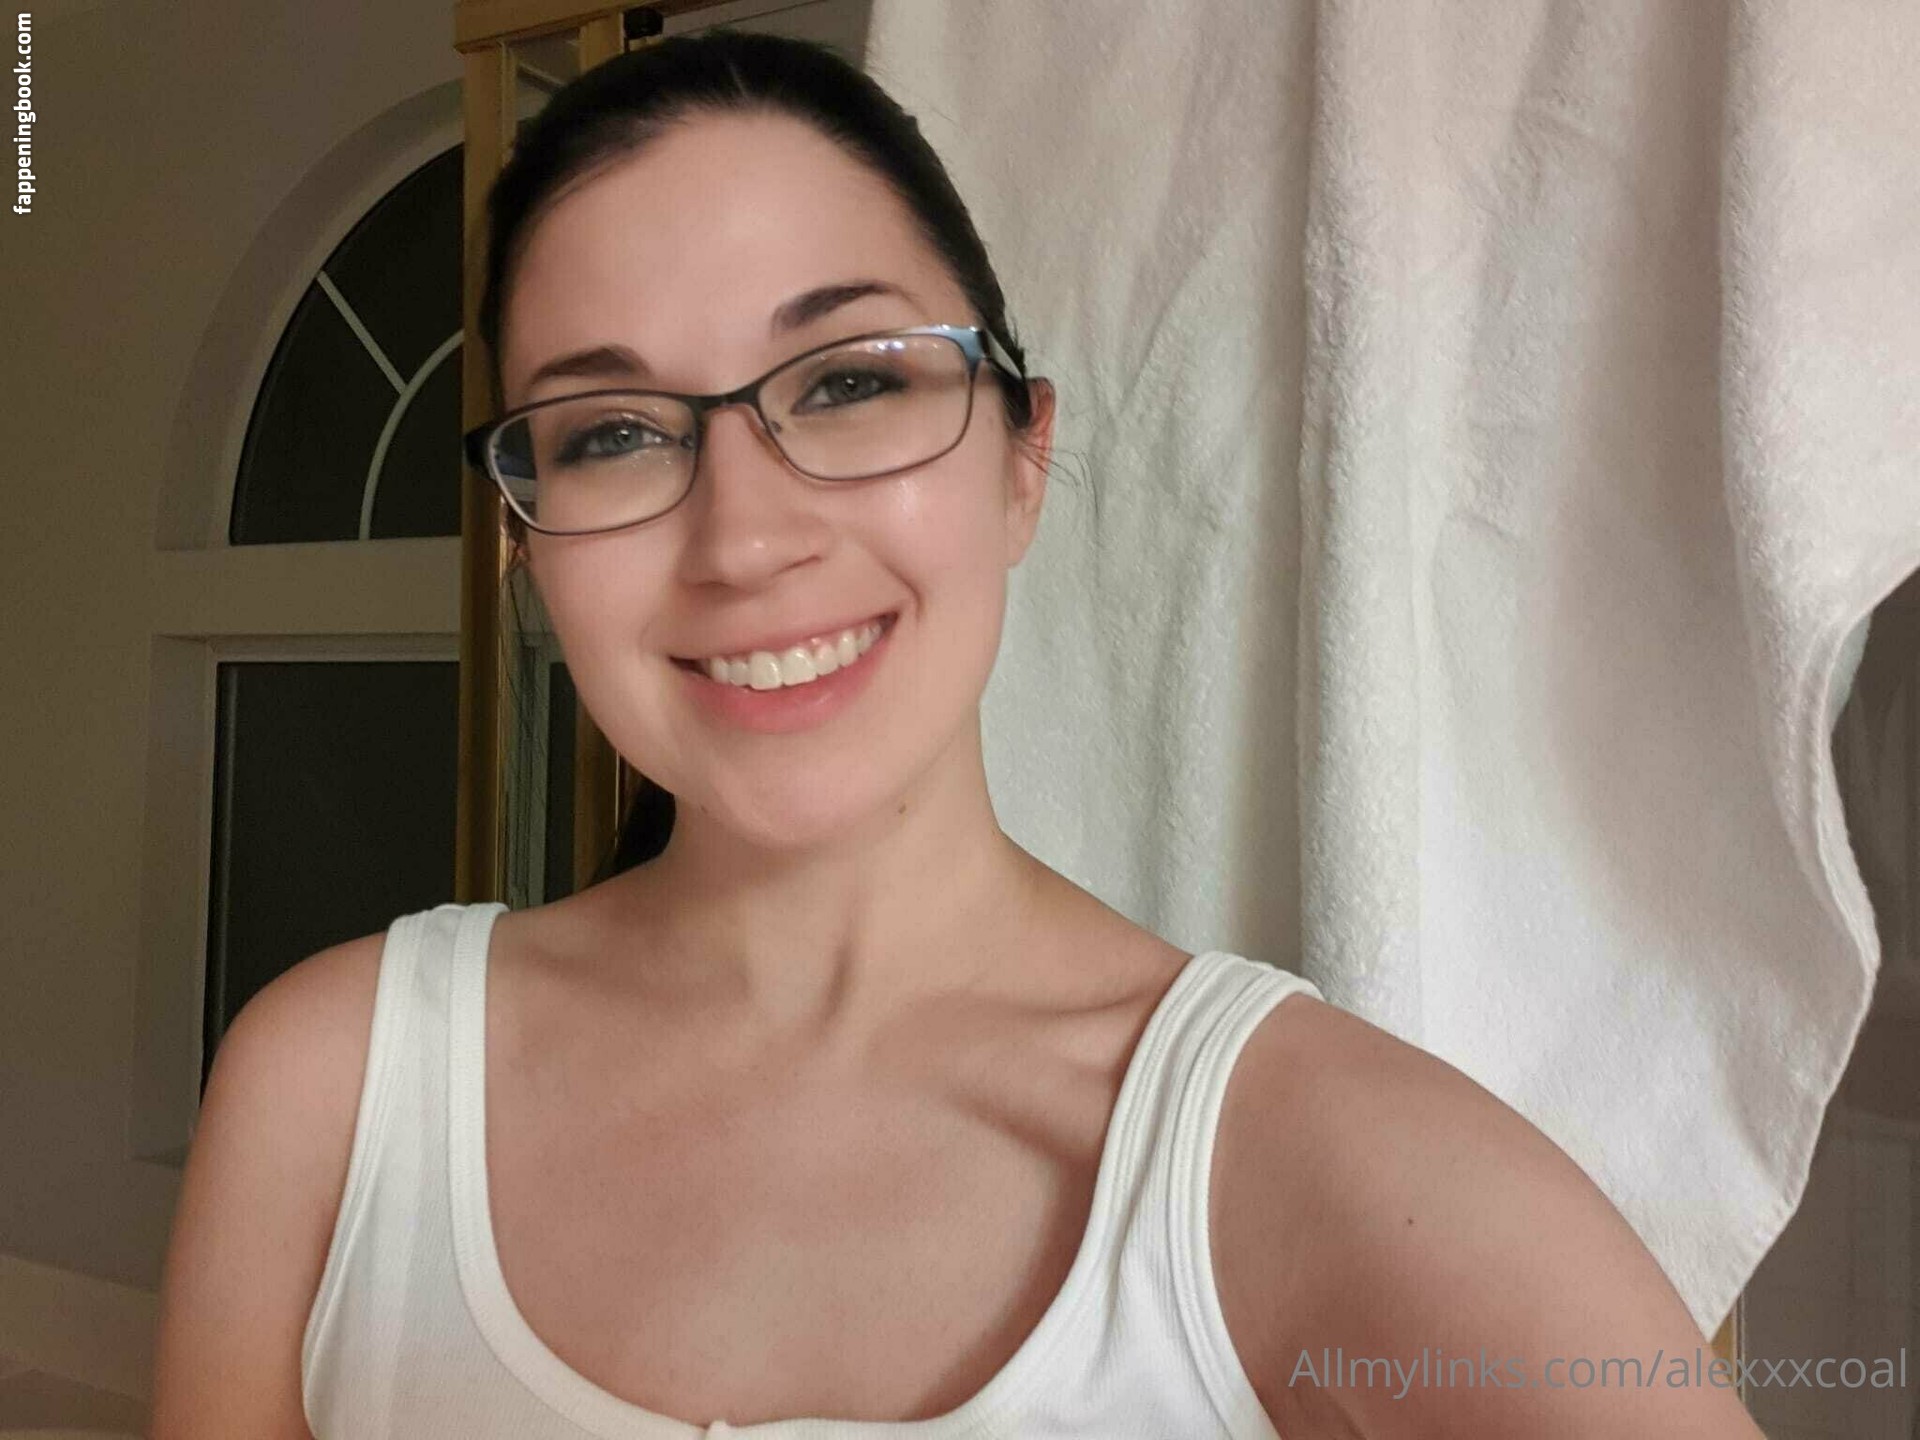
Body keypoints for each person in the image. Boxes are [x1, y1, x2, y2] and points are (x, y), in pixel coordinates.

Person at [150, 29, 1766, 1440]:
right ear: (525, 544)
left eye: (849, 384)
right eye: (616, 432)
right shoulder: (331, 1090)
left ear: (1020, 462)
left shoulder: (1310, 1163)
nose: (744, 540)